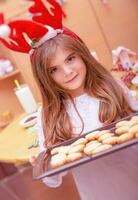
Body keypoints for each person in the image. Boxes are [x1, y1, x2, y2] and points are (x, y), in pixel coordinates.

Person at [0, 1, 138, 199]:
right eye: (54, 69)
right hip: (98, 194)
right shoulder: (49, 116)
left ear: (82, 55)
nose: (67, 71)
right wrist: (41, 164)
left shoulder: (114, 87)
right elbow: (53, 179)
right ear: (44, 77)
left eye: (70, 59)